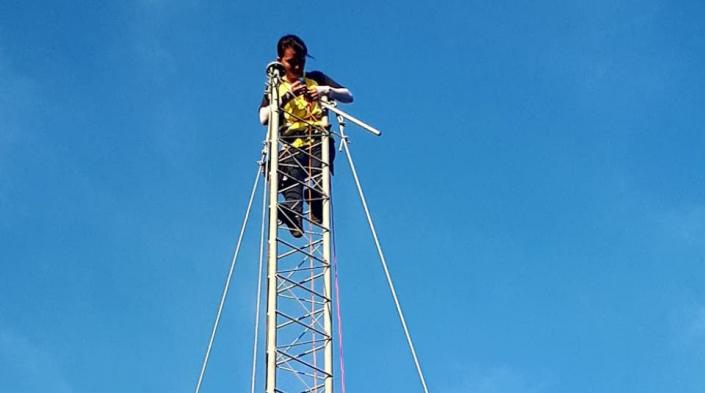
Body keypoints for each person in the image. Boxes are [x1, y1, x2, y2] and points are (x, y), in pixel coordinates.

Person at [259, 34, 353, 238]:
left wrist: (323, 90)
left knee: (320, 170)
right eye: (291, 63)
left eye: (300, 63)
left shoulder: (315, 79)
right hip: (293, 144)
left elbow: (348, 96)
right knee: (294, 177)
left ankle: (315, 199)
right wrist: (286, 97)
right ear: (280, 61)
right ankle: (292, 214)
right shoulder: (276, 88)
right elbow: (263, 117)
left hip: (318, 138)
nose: (296, 68)